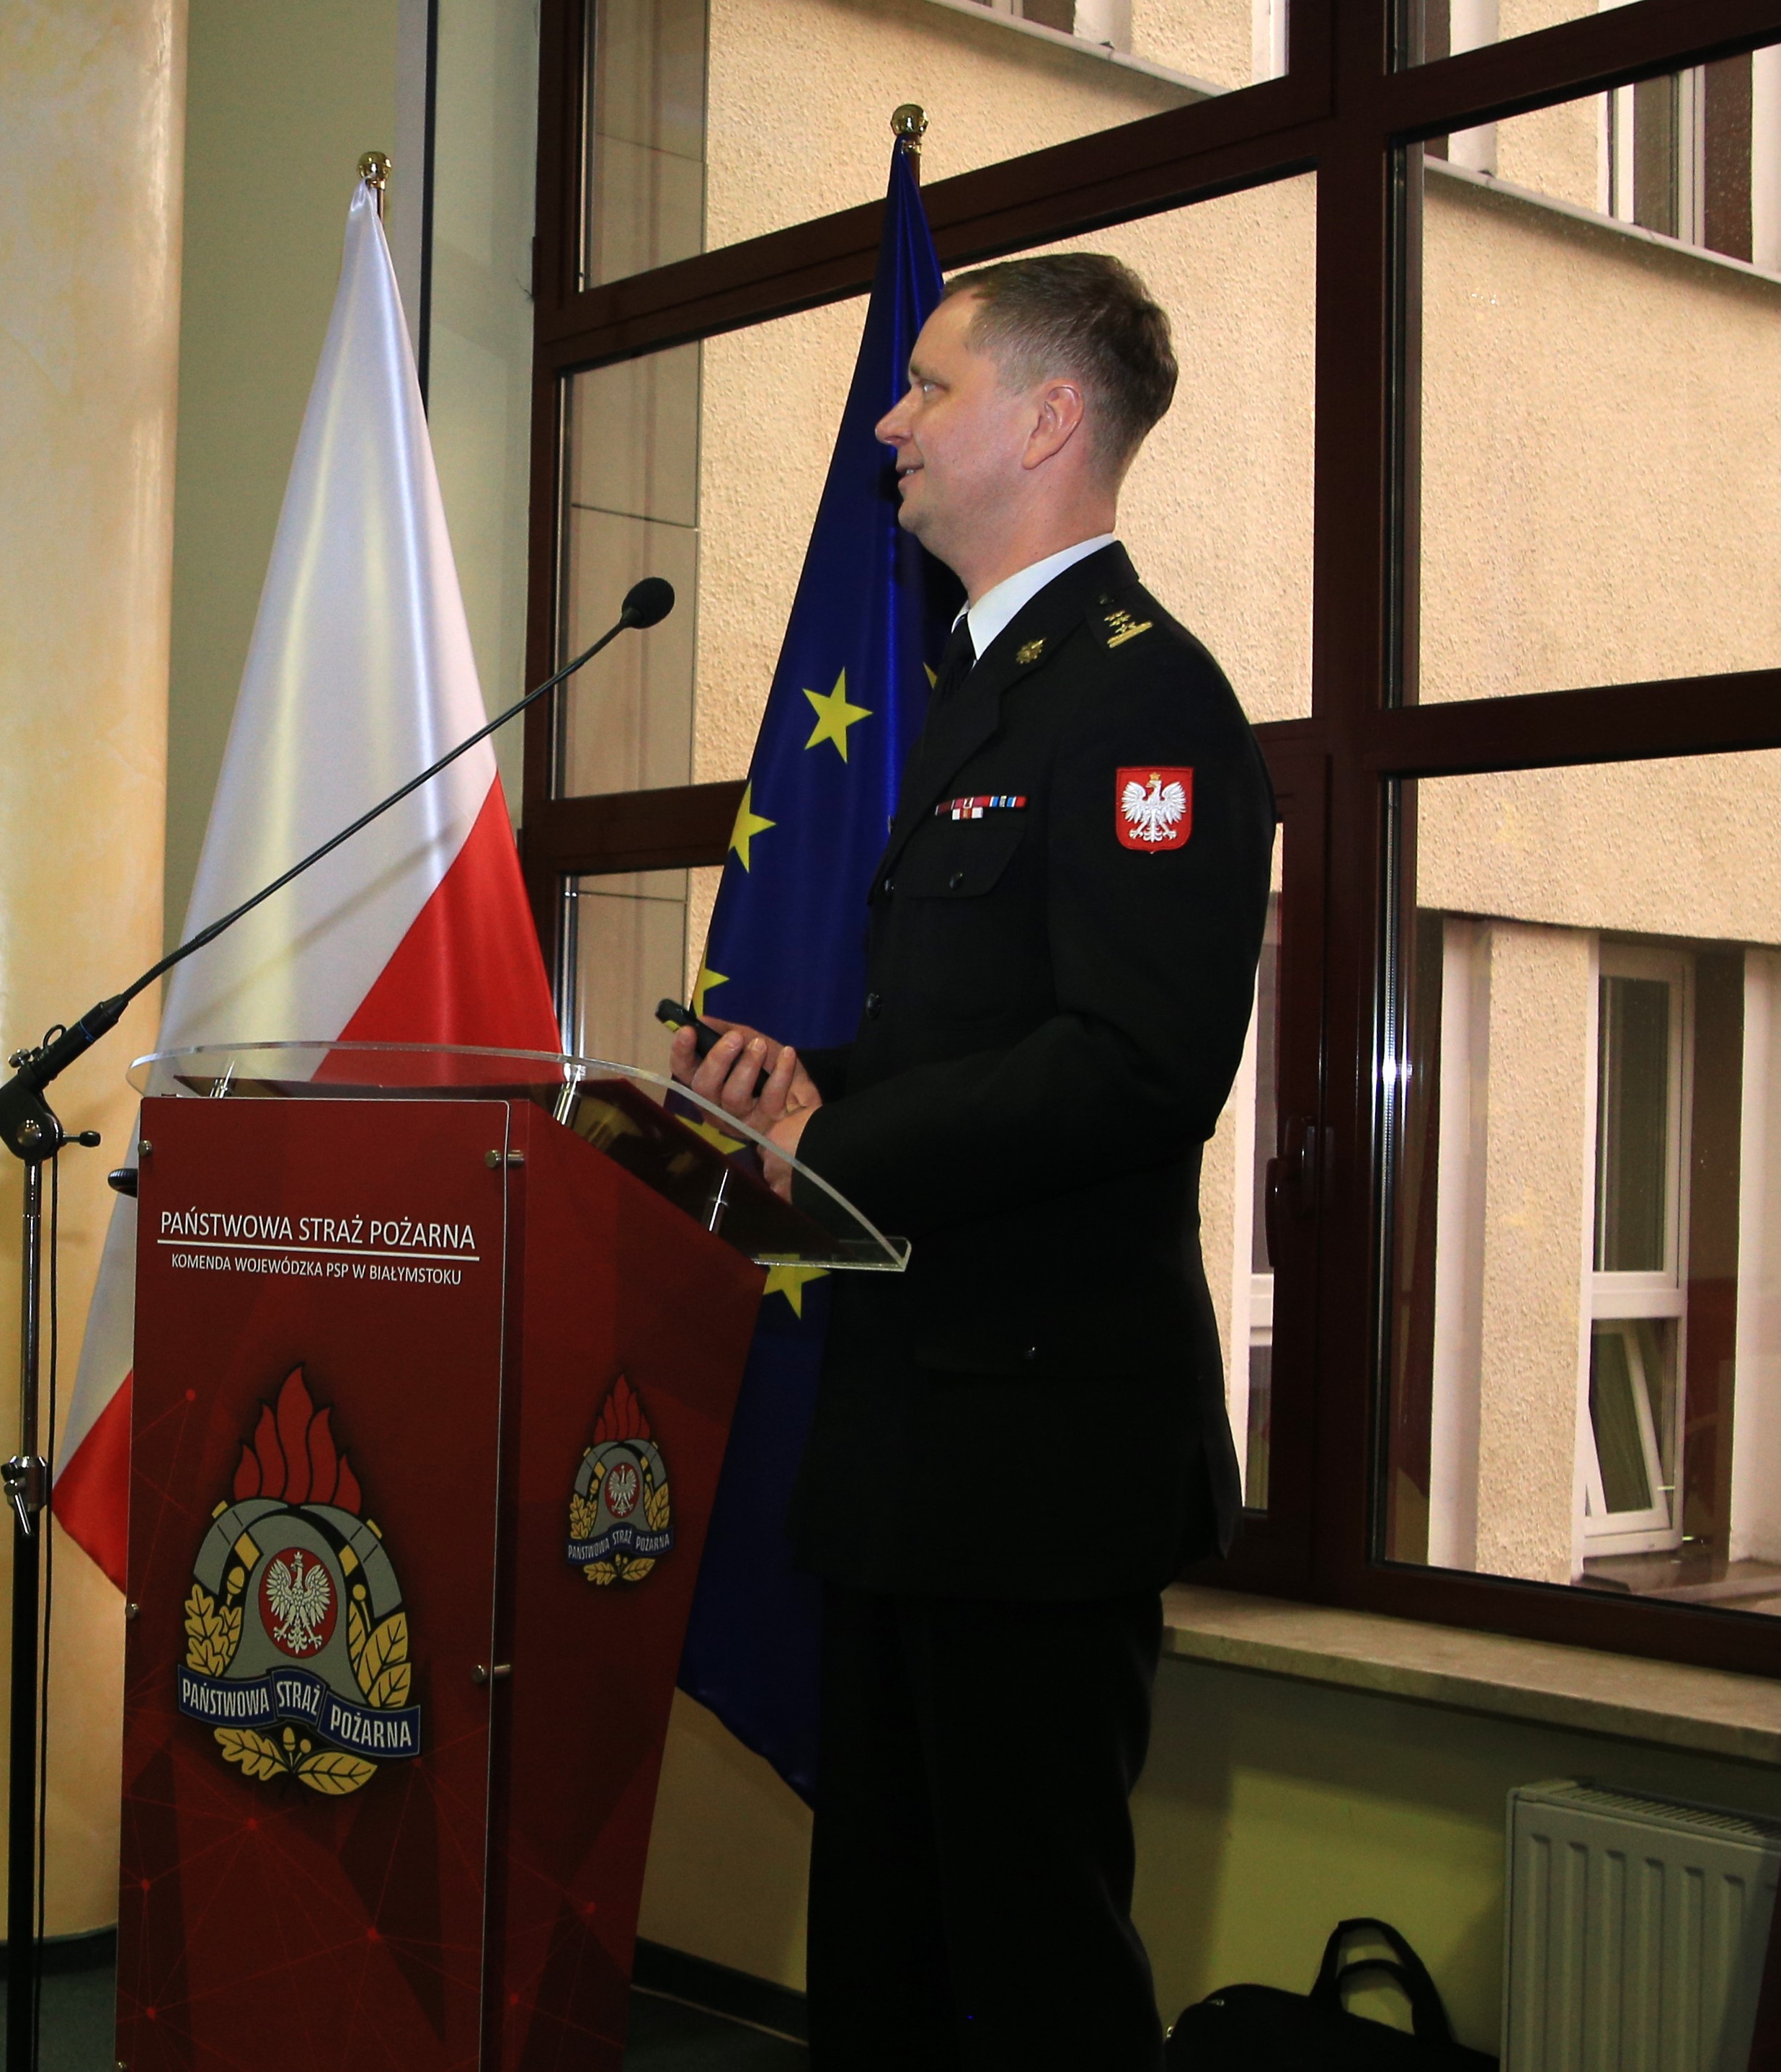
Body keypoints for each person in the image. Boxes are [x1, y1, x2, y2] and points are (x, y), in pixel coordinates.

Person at [671, 252, 1274, 2069]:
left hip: (1037, 1454)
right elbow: (975, 1041)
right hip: (910, 1434)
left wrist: (838, 1139)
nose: (890, 420)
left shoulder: (1144, 703)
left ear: (1047, 419)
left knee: (1023, 1969)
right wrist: (796, 1081)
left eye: (929, 386)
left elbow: (1136, 1062)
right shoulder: (983, 685)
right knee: (883, 1949)